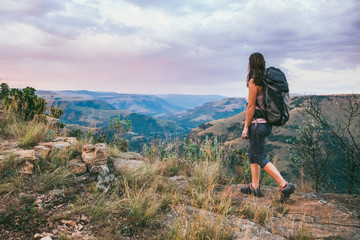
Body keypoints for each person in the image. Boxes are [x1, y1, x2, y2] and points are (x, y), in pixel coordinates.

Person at [241, 52, 295, 202]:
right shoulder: (266, 81)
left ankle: (284, 185)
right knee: (253, 154)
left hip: (256, 125)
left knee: (258, 156)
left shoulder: (254, 81)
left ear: (251, 64)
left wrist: (246, 127)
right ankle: (255, 186)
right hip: (265, 124)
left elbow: (251, 106)